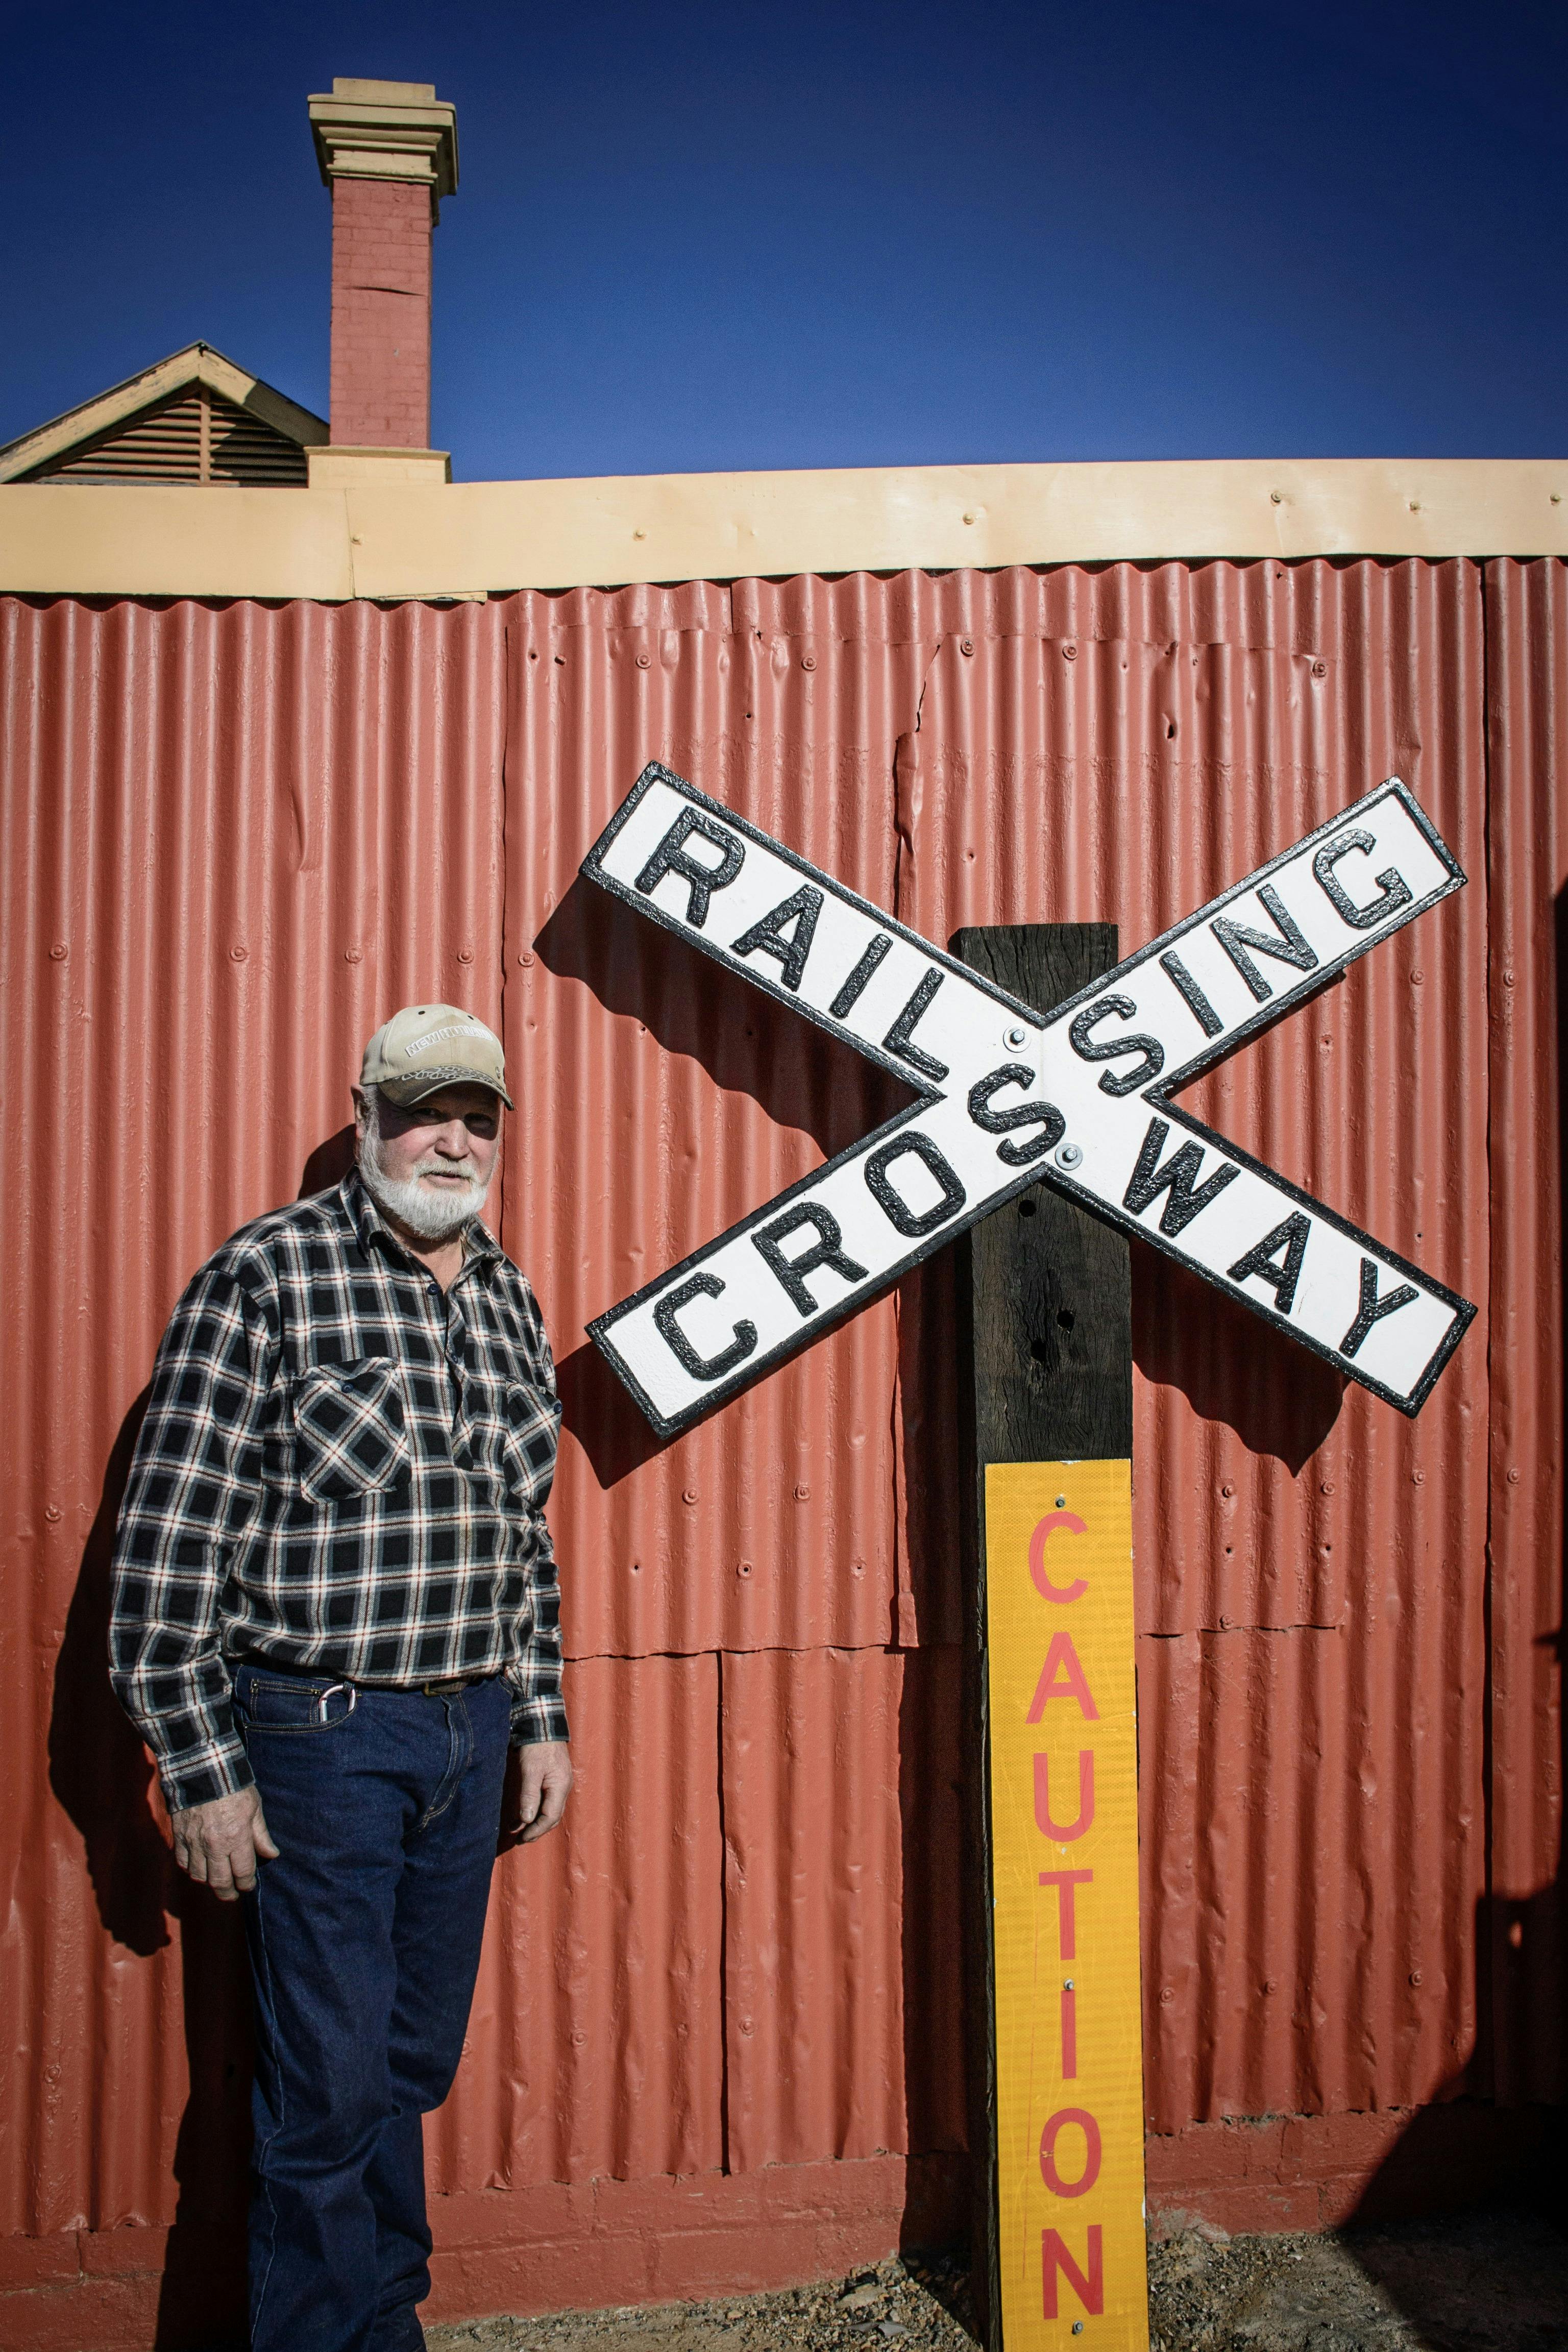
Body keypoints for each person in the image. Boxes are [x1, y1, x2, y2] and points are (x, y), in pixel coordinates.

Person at [109, 1004, 572, 2352]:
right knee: (325, 2086)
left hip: (468, 1733)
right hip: (320, 1733)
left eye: (477, 1117)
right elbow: (167, 1541)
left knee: (405, 2064)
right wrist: (198, 1771)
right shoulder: (267, 1278)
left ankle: (382, 2325)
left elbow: (522, 1538)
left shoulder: (509, 1300)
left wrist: (537, 1718)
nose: (454, 1139)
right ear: (367, 1116)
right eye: (427, 1110)